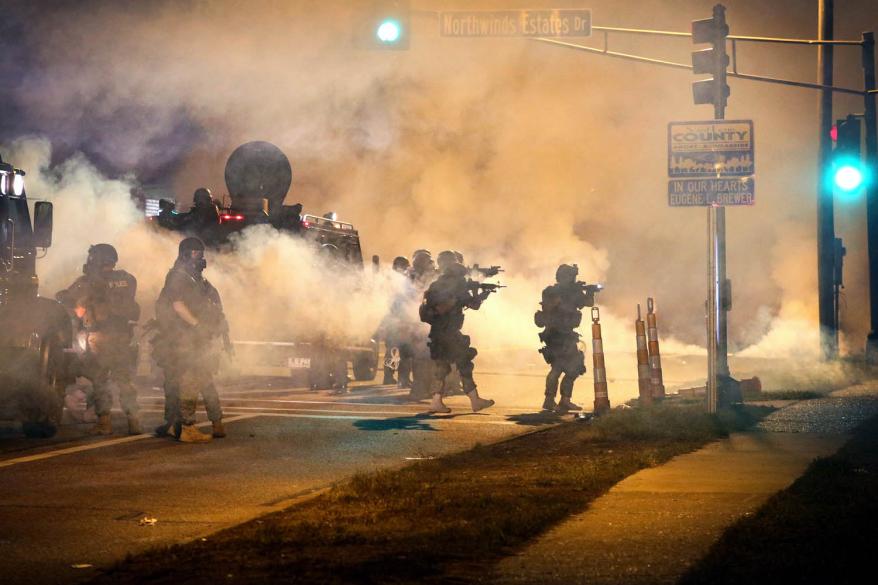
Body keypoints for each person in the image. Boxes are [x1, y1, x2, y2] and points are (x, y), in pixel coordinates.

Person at [56, 244, 141, 435]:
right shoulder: (127, 279)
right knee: (125, 381)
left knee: (100, 381)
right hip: (123, 339)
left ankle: (104, 423)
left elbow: (66, 298)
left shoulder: (88, 282)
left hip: (99, 339)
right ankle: (134, 421)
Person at [153, 237, 228, 442]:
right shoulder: (179, 276)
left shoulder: (196, 279)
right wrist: (198, 326)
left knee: (197, 379)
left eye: (201, 253)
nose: (200, 258)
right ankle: (186, 427)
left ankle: (205, 423)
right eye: (196, 253)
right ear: (185, 254)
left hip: (195, 338)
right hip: (183, 338)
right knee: (189, 380)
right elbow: (178, 306)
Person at [419, 250, 495, 414]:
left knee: (442, 367)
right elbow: (473, 305)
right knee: (464, 363)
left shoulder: (435, 285)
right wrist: (481, 295)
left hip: (437, 332)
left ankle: (436, 401)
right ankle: (475, 400)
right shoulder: (458, 285)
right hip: (451, 333)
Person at [535, 264, 595, 413]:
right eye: (570, 276)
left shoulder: (568, 292)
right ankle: (551, 400)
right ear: (563, 277)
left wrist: (589, 292)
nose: (572, 279)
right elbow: (554, 307)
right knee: (558, 368)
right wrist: (577, 292)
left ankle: (562, 400)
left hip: (566, 334)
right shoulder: (551, 292)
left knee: (573, 367)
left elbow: (588, 303)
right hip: (555, 334)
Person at [376, 256, 415, 387]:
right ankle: (401, 379)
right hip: (398, 320)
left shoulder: (389, 279)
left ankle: (389, 377)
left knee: (393, 350)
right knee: (403, 351)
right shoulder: (401, 280)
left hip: (392, 320)